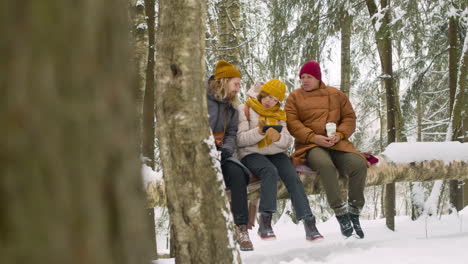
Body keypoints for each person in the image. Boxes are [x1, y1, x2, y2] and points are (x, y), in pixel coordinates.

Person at [284, 60, 367, 239]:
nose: (304, 80)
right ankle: (340, 212)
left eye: (309, 77)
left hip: (337, 142)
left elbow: (349, 118)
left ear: (318, 78)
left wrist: (340, 134)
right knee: (326, 166)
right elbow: (292, 123)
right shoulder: (294, 97)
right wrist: (313, 137)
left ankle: (354, 210)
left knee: (358, 164)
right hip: (310, 145)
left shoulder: (336, 95)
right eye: (302, 77)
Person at [237, 79, 324, 242]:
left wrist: (276, 137)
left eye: (275, 99)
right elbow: (240, 140)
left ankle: (309, 223)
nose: (271, 102)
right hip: (251, 153)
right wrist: (259, 132)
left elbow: (286, 142)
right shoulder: (245, 109)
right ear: (262, 93)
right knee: (269, 171)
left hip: (276, 152)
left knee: (292, 176)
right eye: (268, 97)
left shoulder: (280, 114)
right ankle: (265, 222)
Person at [207, 60, 254, 251]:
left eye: (239, 85)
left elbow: (232, 133)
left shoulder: (232, 108)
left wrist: (226, 149)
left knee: (237, 173)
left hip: (222, 154)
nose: (238, 88)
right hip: (201, 153)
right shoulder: (201, 99)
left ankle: (241, 228)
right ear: (223, 82)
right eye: (235, 84)